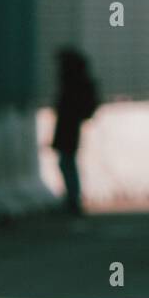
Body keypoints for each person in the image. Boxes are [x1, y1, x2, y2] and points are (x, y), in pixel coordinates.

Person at [51, 47, 98, 216]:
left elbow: (66, 106)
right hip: (71, 126)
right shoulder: (78, 81)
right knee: (67, 162)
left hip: (68, 126)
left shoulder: (71, 83)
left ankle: (72, 199)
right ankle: (72, 198)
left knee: (66, 162)